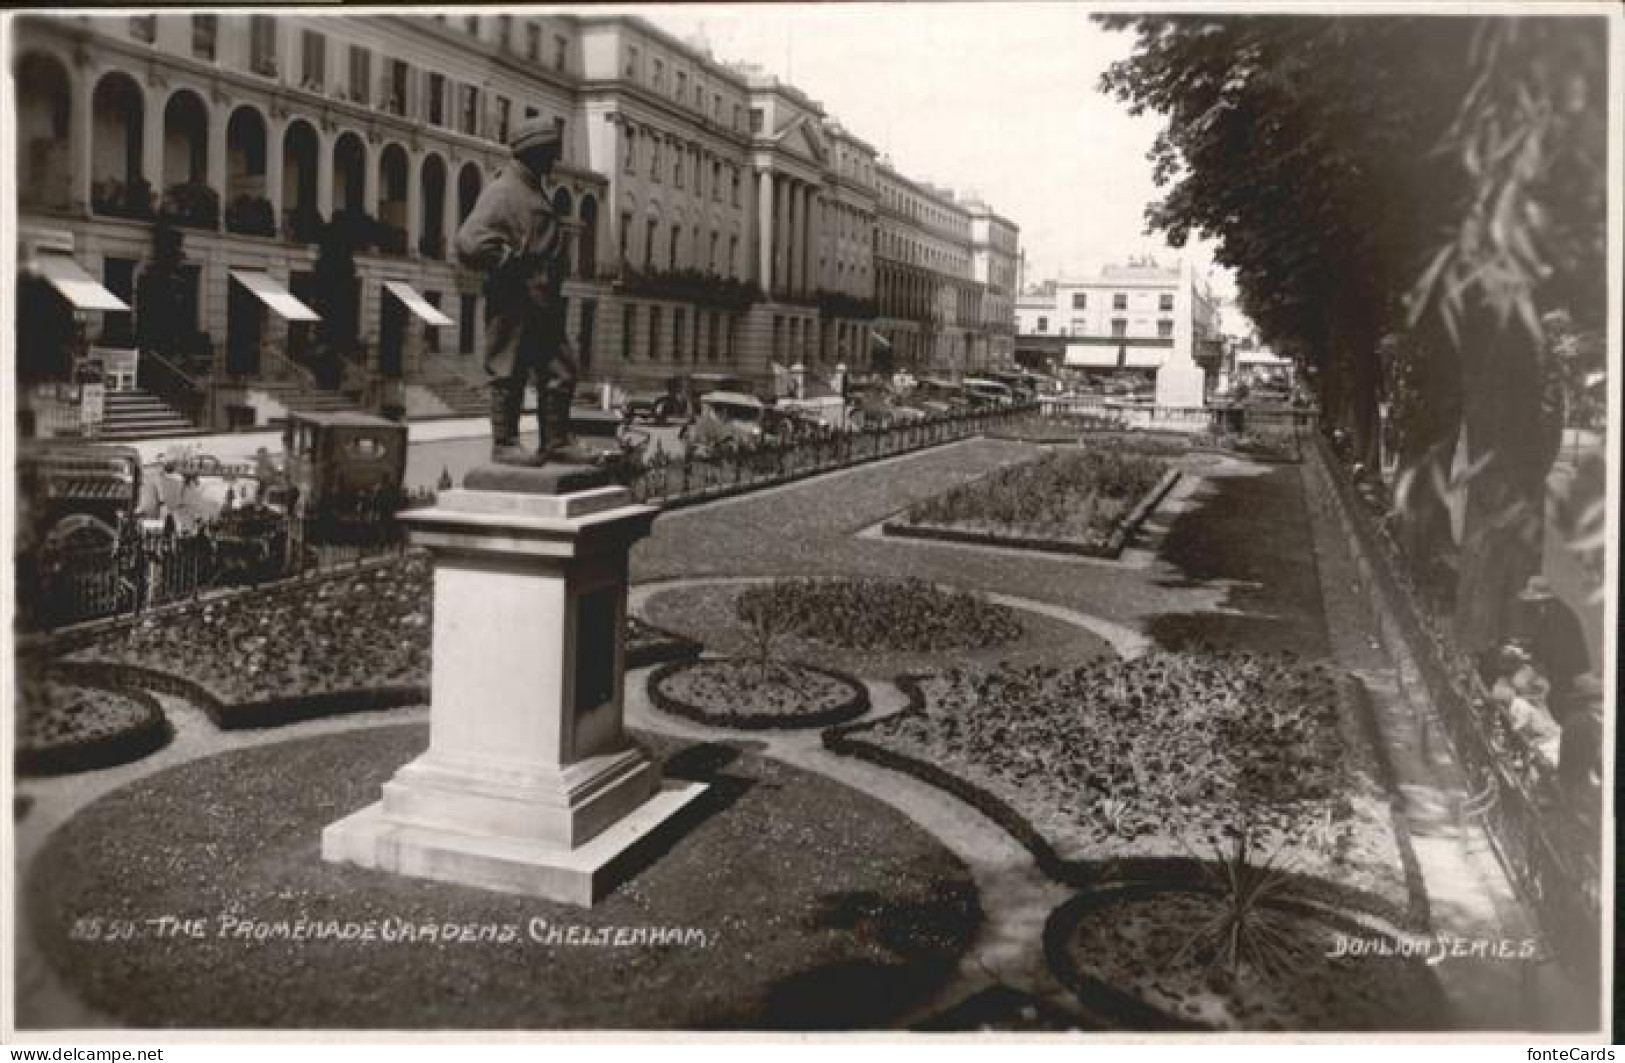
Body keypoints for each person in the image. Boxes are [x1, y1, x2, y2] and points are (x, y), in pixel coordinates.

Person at [455, 115, 581, 467]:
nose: (553, 160)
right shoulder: (503, 190)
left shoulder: (531, 187)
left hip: (543, 300)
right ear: (533, 153)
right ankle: (505, 443)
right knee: (508, 369)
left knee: (561, 369)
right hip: (515, 300)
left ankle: (554, 441)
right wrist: (509, 261)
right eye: (549, 153)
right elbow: (469, 242)